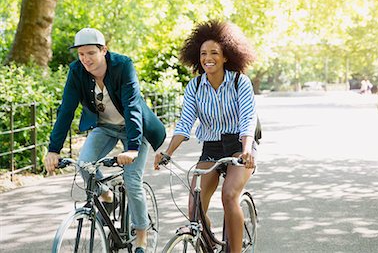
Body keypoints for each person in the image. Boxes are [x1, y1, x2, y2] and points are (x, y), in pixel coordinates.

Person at [44, 28, 166, 253]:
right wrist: (54, 149)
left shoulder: (123, 65)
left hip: (132, 131)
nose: (85, 59)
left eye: (91, 53)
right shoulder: (76, 71)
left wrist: (131, 149)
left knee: (132, 182)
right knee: (84, 164)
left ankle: (141, 235)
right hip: (105, 128)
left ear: (104, 50)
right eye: (81, 54)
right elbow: (66, 111)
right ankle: (108, 196)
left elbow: (132, 107)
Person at [153, 20, 258, 253]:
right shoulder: (195, 86)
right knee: (195, 209)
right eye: (203, 53)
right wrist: (167, 153)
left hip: (239, 146)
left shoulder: (240, 82)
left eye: (214, 53)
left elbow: (248, 118)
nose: (207, 58)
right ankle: (209, 245)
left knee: (229, 195)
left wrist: (247, 149)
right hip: (211, 147)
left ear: (226, 56)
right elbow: (184, 123)